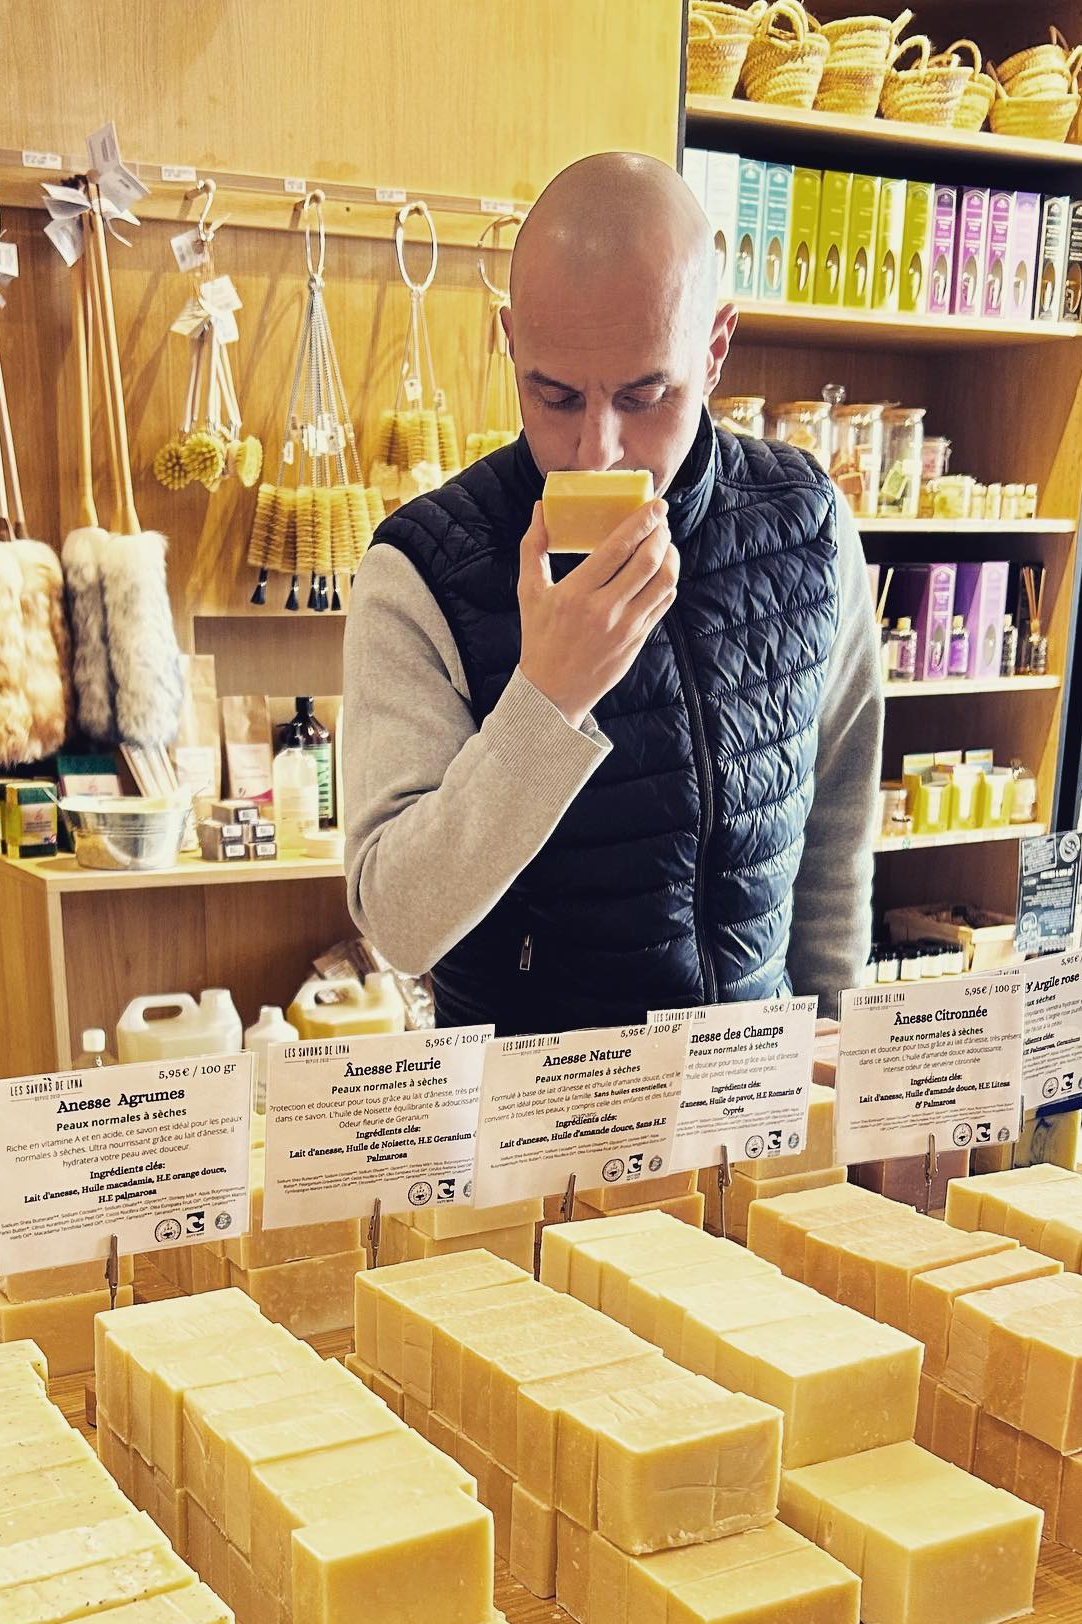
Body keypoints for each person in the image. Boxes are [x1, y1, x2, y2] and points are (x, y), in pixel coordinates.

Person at [343, 151, 883, 1033]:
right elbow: (399, 923)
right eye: (553, 397)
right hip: (532, 1126)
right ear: (511, 343)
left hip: (750, 1100)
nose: (598, 449)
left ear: (714, 351)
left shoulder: (807, 524)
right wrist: (546, 704)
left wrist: (832, 1061)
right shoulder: (420, 570)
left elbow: (836, 839)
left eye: (645, 395)